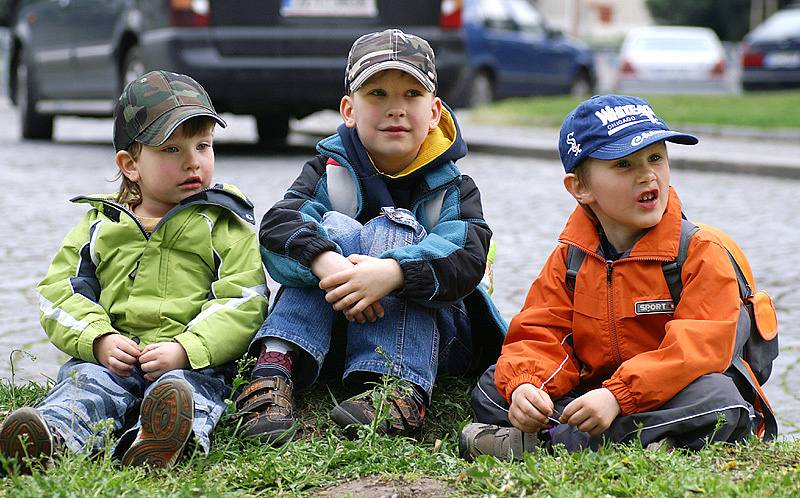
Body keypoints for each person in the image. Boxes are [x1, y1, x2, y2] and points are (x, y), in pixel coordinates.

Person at [234, 29, 506, 444]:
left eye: (411, 95)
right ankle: (275, 368)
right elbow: (278, 225)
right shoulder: (328, 168)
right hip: (332, 331)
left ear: (434, 112)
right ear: (349, 109)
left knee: (389, 229)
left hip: (433, 339)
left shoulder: (455, 188)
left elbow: (466, 258)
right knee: (330, 231)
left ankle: (398, 388)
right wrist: (329, 263)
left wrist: (392, 273)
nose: (395, 109)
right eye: (377, 94)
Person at [460, 94, 757, 460]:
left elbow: (696, 349)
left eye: (656, 157)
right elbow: (541, 331)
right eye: (623, 164)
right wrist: (528, 386)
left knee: (720, 399)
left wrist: (619, 396)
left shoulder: (699, 250)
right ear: (580, 188)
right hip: (592, 397)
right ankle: (638, 443)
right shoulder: (570, 257)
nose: (648, 174)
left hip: (666, 392)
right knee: (494, 386)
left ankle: (548, 446)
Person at [0, 70, 268, 472]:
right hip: (112, 359)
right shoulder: (101, 223)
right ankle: (51, 442)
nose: (193, 161)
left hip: (191, 364)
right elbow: (59, 292)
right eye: (172, 150)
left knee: (184, 396)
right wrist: (99, 339)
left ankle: (156, 444)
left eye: (203, 145)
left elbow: (244, 300)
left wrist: (187, 349)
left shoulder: (224, 223)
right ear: (130, 164)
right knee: (83, 390)